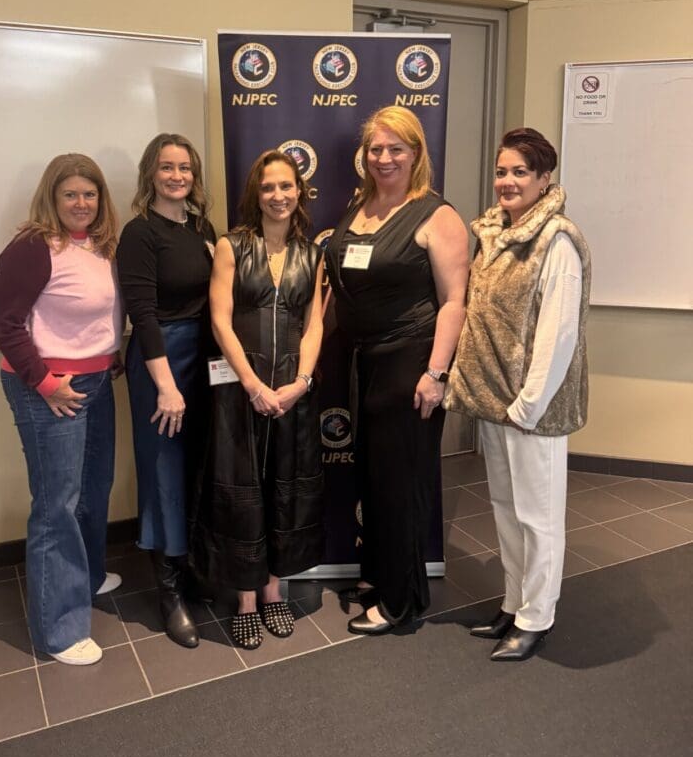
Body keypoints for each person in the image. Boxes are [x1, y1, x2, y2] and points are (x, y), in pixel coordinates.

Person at [444, 128, 591, 661]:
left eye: (519, 172)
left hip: (534, 410)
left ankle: (537, 616)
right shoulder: (493, 235)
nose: (507, 181)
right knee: (506, 509)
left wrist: (528, 406)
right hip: (494, 402)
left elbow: (559, 334)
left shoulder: (558, 241)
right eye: (502, 171)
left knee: (539, 515)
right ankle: (513, 602)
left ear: (544, 178)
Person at [325, 106, 469, 636]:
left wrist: (437, 373)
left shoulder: (438, 215)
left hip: (412, 364)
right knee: (373, 480)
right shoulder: (359, 206)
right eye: (375, 149)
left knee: (402, 485)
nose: (384, 158)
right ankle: (380, 578)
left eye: (395, 149)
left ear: (416, 154)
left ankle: (403, 603)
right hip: (365, 364)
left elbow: (455, 301)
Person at [0, 154, 123, 666]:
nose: (81, 203)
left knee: (93, 490)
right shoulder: (32, 247)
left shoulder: (101, 247)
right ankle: (61, 629)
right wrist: (45, 382)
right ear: (52, 196)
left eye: (89, 194)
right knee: (56, 505)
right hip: (47, 388)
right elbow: (5, 323)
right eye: (70, 194)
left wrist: (108, 358)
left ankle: (84, 577)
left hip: (93, 381)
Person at [192, 150, 325, 650]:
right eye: (269, 187)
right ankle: (246, 600)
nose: (278, 195)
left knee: (283, 487)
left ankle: (274, 592)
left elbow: (314, 325)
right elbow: (220, 320)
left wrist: (303, 382)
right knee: (242, 488)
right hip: (238, 391)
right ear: (256, 193)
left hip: (292, 391)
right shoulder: (231, 246)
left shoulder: (314, 254)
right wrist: (251, 384)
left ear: (299, 191)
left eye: (286, 186)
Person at [116, 134, 216, 649]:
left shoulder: (201, 228)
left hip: (202, 359)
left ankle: (192, 565)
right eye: (167, 168)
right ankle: (169, 591)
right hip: (162, 364)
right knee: (163, 471)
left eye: (185, 168)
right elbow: (144, 316)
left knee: (197, 463)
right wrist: (166, 388)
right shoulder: (139, 233)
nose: (177, 176)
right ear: (150, 175)